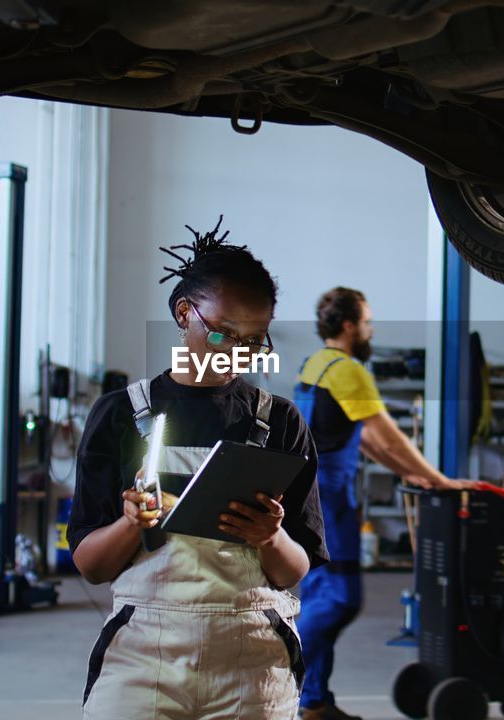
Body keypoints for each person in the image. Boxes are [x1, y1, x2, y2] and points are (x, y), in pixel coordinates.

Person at [68, 221, 328, 720]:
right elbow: (91, 567)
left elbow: (295, 570)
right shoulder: (123, 414)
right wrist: (131, 524)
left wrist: (270, 536)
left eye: (254, 341)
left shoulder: (280, 422)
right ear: (184, 313)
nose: (236, 353)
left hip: (254, 660)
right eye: (223, 334)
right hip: (144, 654)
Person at [293, 286, 471, 720]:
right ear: (350, 325)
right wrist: (439, 479)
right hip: (328, 501)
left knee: (319, 598)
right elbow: (386, 432)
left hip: (306, 494)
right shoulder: (349, 369)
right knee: (339, 600)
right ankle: (277, 661)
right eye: (369, 321)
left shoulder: (315, 364)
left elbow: (365, 437)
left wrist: (411, 474)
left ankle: (313, 704)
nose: (372, 329)